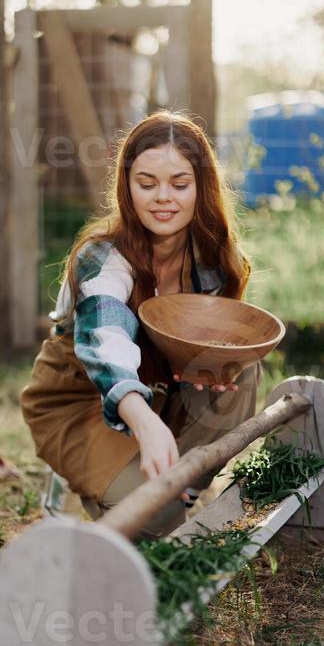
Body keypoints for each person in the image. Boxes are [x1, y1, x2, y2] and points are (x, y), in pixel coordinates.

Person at [21, 111, 260, 539]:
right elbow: (107, 344)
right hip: (80, 401)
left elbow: (217, 345)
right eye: (146, 184)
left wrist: (211, 365)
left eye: (179, 184)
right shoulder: (102, 259)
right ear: (126, 188)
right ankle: (138, 495)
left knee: (242, 370)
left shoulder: (212, 261)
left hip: (160, 392)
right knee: (157, 523)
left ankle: (182, 480)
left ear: (201, 189)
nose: (162, 198)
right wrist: (145, 423)